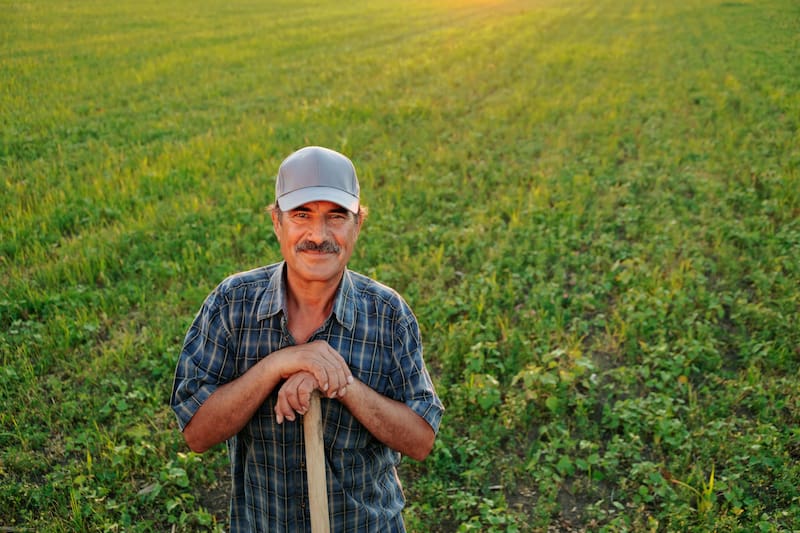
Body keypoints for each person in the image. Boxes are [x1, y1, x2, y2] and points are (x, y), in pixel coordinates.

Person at [170, 145, 444, 532]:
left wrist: (339, 381)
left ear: (357, 225)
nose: (318, 235)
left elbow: (420, 440)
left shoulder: (387, 315)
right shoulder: (232, 304)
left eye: (336, 217)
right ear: (277, 222)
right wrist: (278, 365)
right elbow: (196, 432)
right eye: (302, 215)